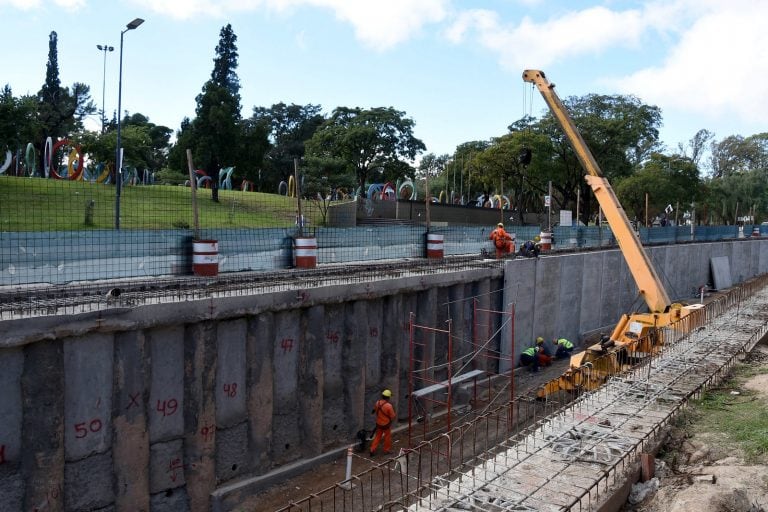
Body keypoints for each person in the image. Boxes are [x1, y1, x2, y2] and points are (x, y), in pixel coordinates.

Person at [370, 389, 396, 456]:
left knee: (378, 436)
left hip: (378, 423)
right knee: (387, 437)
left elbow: (375, 410)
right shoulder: (389, 406)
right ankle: (386, 450)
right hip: (386, 424)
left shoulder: (377, 403)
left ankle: (372, 449)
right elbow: (393, 416)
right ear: (388, 397)